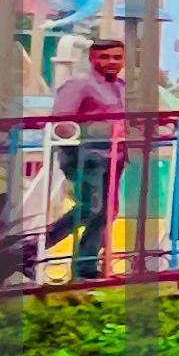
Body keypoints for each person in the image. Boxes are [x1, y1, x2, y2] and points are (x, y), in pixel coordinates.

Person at [46, 33, 130, 281]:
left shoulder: (121, 87)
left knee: (108, 211)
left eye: (117, 57)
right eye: (105, 57)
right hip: (86, 155)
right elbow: (61, 121)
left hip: (114, 156)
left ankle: (86, 266)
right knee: (91, 207)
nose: (111, 62)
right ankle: (29, 250)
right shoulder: (80, 84)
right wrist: (79, 145)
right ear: (93, 58)